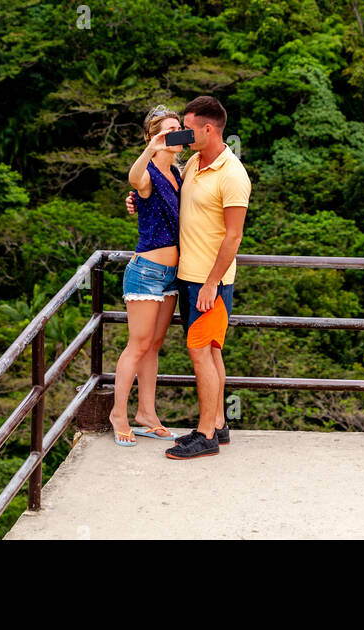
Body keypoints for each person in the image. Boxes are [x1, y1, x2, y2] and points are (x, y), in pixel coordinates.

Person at [130, 95, 251, 459]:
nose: (183, 134)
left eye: (188, 128)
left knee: (201, 353)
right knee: (210, 351)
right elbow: (162, 192)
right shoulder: (196, 162)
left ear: (209, 129)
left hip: (208, 281)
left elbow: (234, 236)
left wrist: (212, 282)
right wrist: (136, 200)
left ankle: (206, 435)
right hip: (188, 275)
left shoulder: (233, 174)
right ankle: (218, 425)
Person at [109, 104, 184, 447]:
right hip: (147, 272)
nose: (174, 135)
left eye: (178, 128)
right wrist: (150, 148)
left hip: (172, 274)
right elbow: (134, 180)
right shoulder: (149, 171)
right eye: (166, 131)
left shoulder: (178, 174)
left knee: (154, 346)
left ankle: (147, 414)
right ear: (153, 136)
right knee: (137, 346)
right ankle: (118, 414)